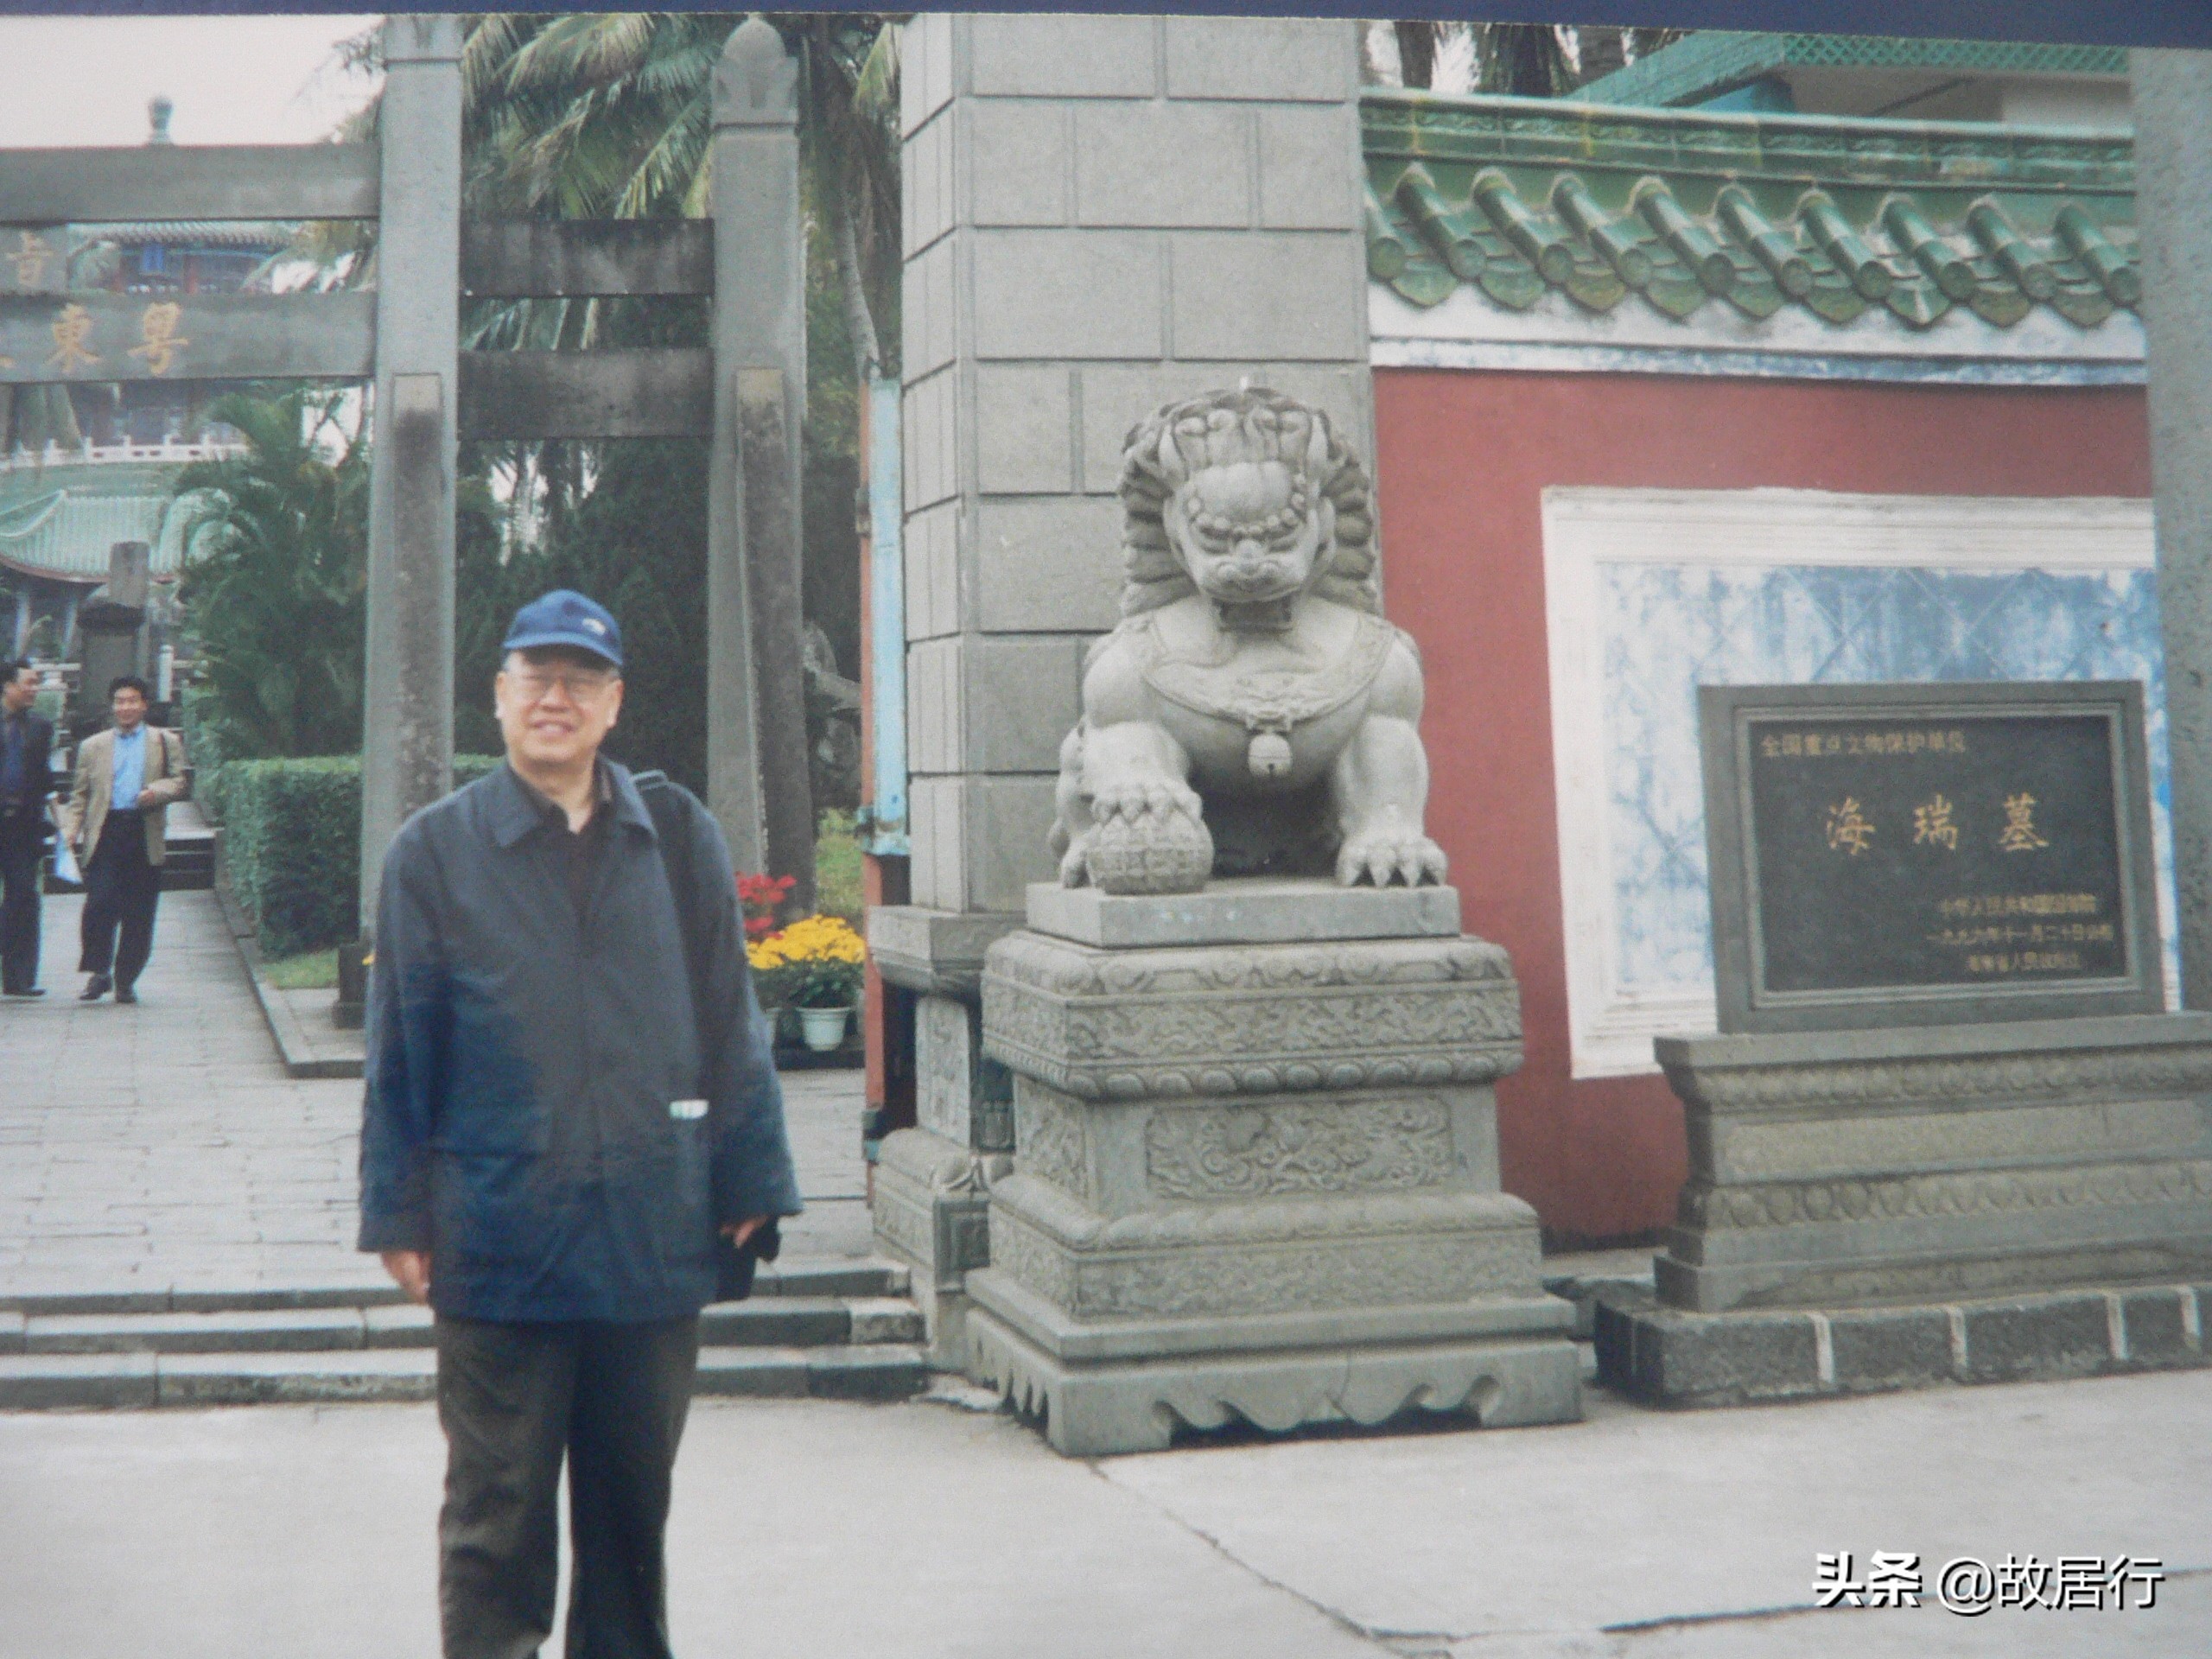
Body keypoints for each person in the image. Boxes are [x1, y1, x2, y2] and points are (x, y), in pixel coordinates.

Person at [357, 589, 800, 1659]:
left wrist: (750, 1175)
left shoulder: (678, 835)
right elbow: (400, 1052)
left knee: (629, 1522)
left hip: (650, 1229)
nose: (556, 700)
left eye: (580, 681)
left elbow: (726, 1016)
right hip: (501, 1231)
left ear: (613, 705)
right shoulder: (434, 853)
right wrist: (396, 1214)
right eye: (535, 679)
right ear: (499, 697)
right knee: (496, 1524)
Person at [65, 675, 188, 1005]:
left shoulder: (164, 741)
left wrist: (156, 792)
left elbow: (180, 782)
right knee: (99, 904)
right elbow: (80, 795)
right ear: (112, 706)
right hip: (106, 832)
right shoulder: (93, 746)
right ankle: (99, 971)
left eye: (133, 700)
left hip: (143, 831)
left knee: (139, 912)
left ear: (144, 705)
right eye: (120, 701)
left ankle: (125, 979)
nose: (126, 707)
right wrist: (71, 829)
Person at [0, 658, 56, 998]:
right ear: (7, 686)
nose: (34, 688)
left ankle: (20, 977)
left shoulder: (40, 727)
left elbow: (44, 777)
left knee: (23, 896)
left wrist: (60, 817)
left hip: (23, 827)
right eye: (28, 683)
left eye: (37, 683)